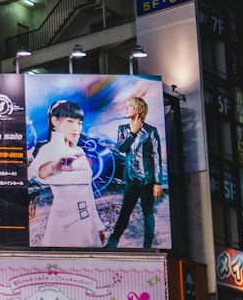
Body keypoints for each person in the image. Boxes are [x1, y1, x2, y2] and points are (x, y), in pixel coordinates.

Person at [31, 99, 102, 246]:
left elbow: (88, 193)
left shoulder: (79, 151)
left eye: (79, 123)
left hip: (88, 224)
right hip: (63, 225)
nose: (76, 128)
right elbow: (39, 173)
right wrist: (54, 167)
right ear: (55, 121)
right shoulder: (48, 150)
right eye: (70, 121)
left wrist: (98, 226)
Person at [104, 95, 165, 248]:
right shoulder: (123, 129)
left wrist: (157, 182)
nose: (126, 109)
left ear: (138, 109)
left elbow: (156, 157)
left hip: (147, 180)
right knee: (124, 213)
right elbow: (121, 148)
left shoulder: (151, 131)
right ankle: (112, 244)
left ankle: (148, 247)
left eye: (129, 106)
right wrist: (132, 132)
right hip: (131, 179)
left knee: (147, 213)